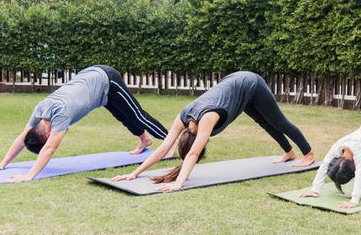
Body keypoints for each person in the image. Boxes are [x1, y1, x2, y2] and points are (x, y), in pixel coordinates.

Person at [111, 71, 316, 191]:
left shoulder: (207, 118)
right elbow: (164, 148)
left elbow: (193, 153)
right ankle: (289, 153)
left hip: (249, 83)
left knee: (278, 122)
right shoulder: (183, 117)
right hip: (234, 87)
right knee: (264, 123)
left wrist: (179, 183)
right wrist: (134, 173)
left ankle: (308, 154)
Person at [0, 65, 169, 182]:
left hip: (106, 79)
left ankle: (171, 140)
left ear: (45, 135)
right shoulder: (40, 109)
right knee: (124, 116)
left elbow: (50, 147)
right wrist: (2, 163)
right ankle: (144, 140)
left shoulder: (60, 113)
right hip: (97, 90)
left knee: (138, 115)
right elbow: (23, 136)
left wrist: (29, 176)